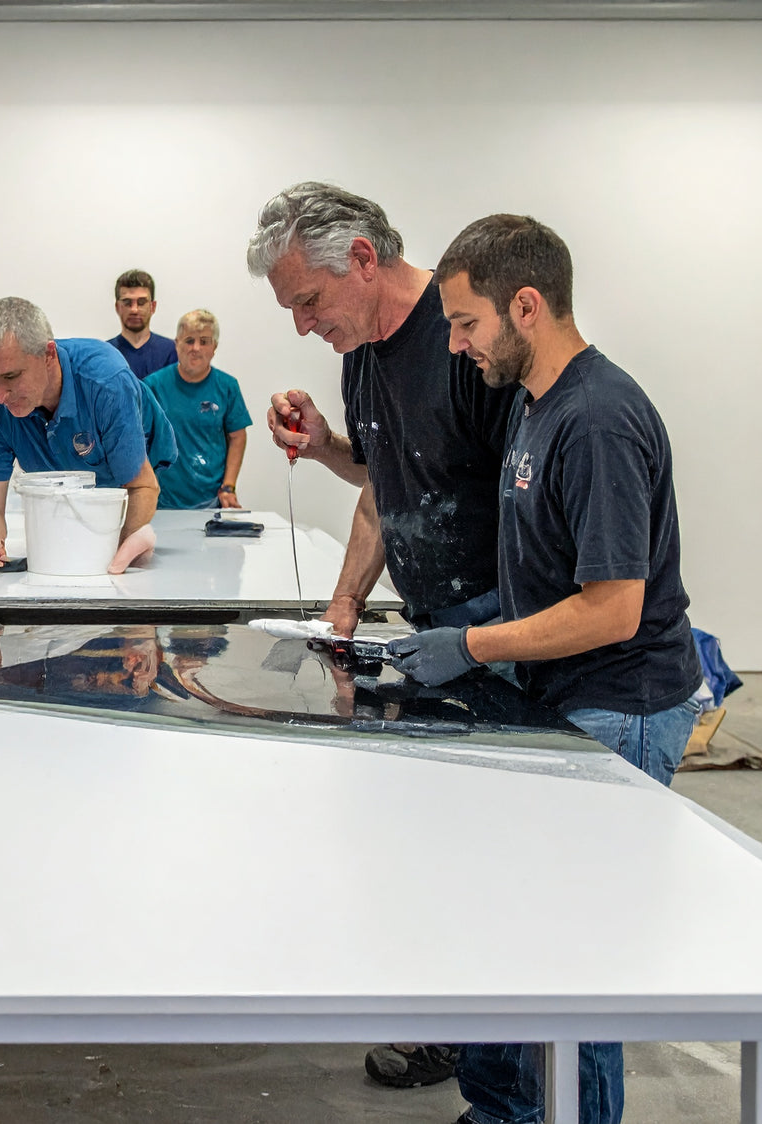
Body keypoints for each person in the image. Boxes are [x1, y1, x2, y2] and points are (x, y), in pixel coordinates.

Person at [388, 213, 703, 1124]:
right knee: (515, 922)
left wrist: (473, 646)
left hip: (619, 707)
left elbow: (613, 607)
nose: (455, 346)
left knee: (580, 954)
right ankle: (504, 1111)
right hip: (557, 692)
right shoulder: (536, 402)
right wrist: (486, 619)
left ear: (525, 306)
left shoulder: (597, 419)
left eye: (465, 324)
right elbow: (555, 569)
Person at [249, 182, 519, 1092]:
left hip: (508, 644)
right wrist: (341, 610)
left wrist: (498, 638)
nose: (302, 325)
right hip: (435, 637)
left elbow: (531, 497)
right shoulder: (363, 354)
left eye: (307, 300)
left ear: (362, 259)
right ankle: (453, 1032)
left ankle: (510, 1079)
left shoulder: (466, 341)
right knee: (435, 851)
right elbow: (383, 485)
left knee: (505, 871)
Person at [0, 296, 177, 570]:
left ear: (48, 355)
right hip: (68, 488)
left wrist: (117, 551)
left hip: (140, 476)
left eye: (11, 377)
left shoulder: (106, 382)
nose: (0, 396)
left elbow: (142, 486)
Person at [143, 309, 252, 509]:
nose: (196, 348)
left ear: (214, 347)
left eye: (204, 341)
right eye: (189, 340)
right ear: (177, 344)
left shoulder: (227, 386)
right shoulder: (153, 386)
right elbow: (139, 439)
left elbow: (237, 436)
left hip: (211, 501)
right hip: (162, 502)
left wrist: (228, 487)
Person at [106, 268, 178, 379]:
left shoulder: (172, 351)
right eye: (127, 302)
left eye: (141, 302)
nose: (134, 310)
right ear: (117, 307)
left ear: (152, 306)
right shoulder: (106, 353)